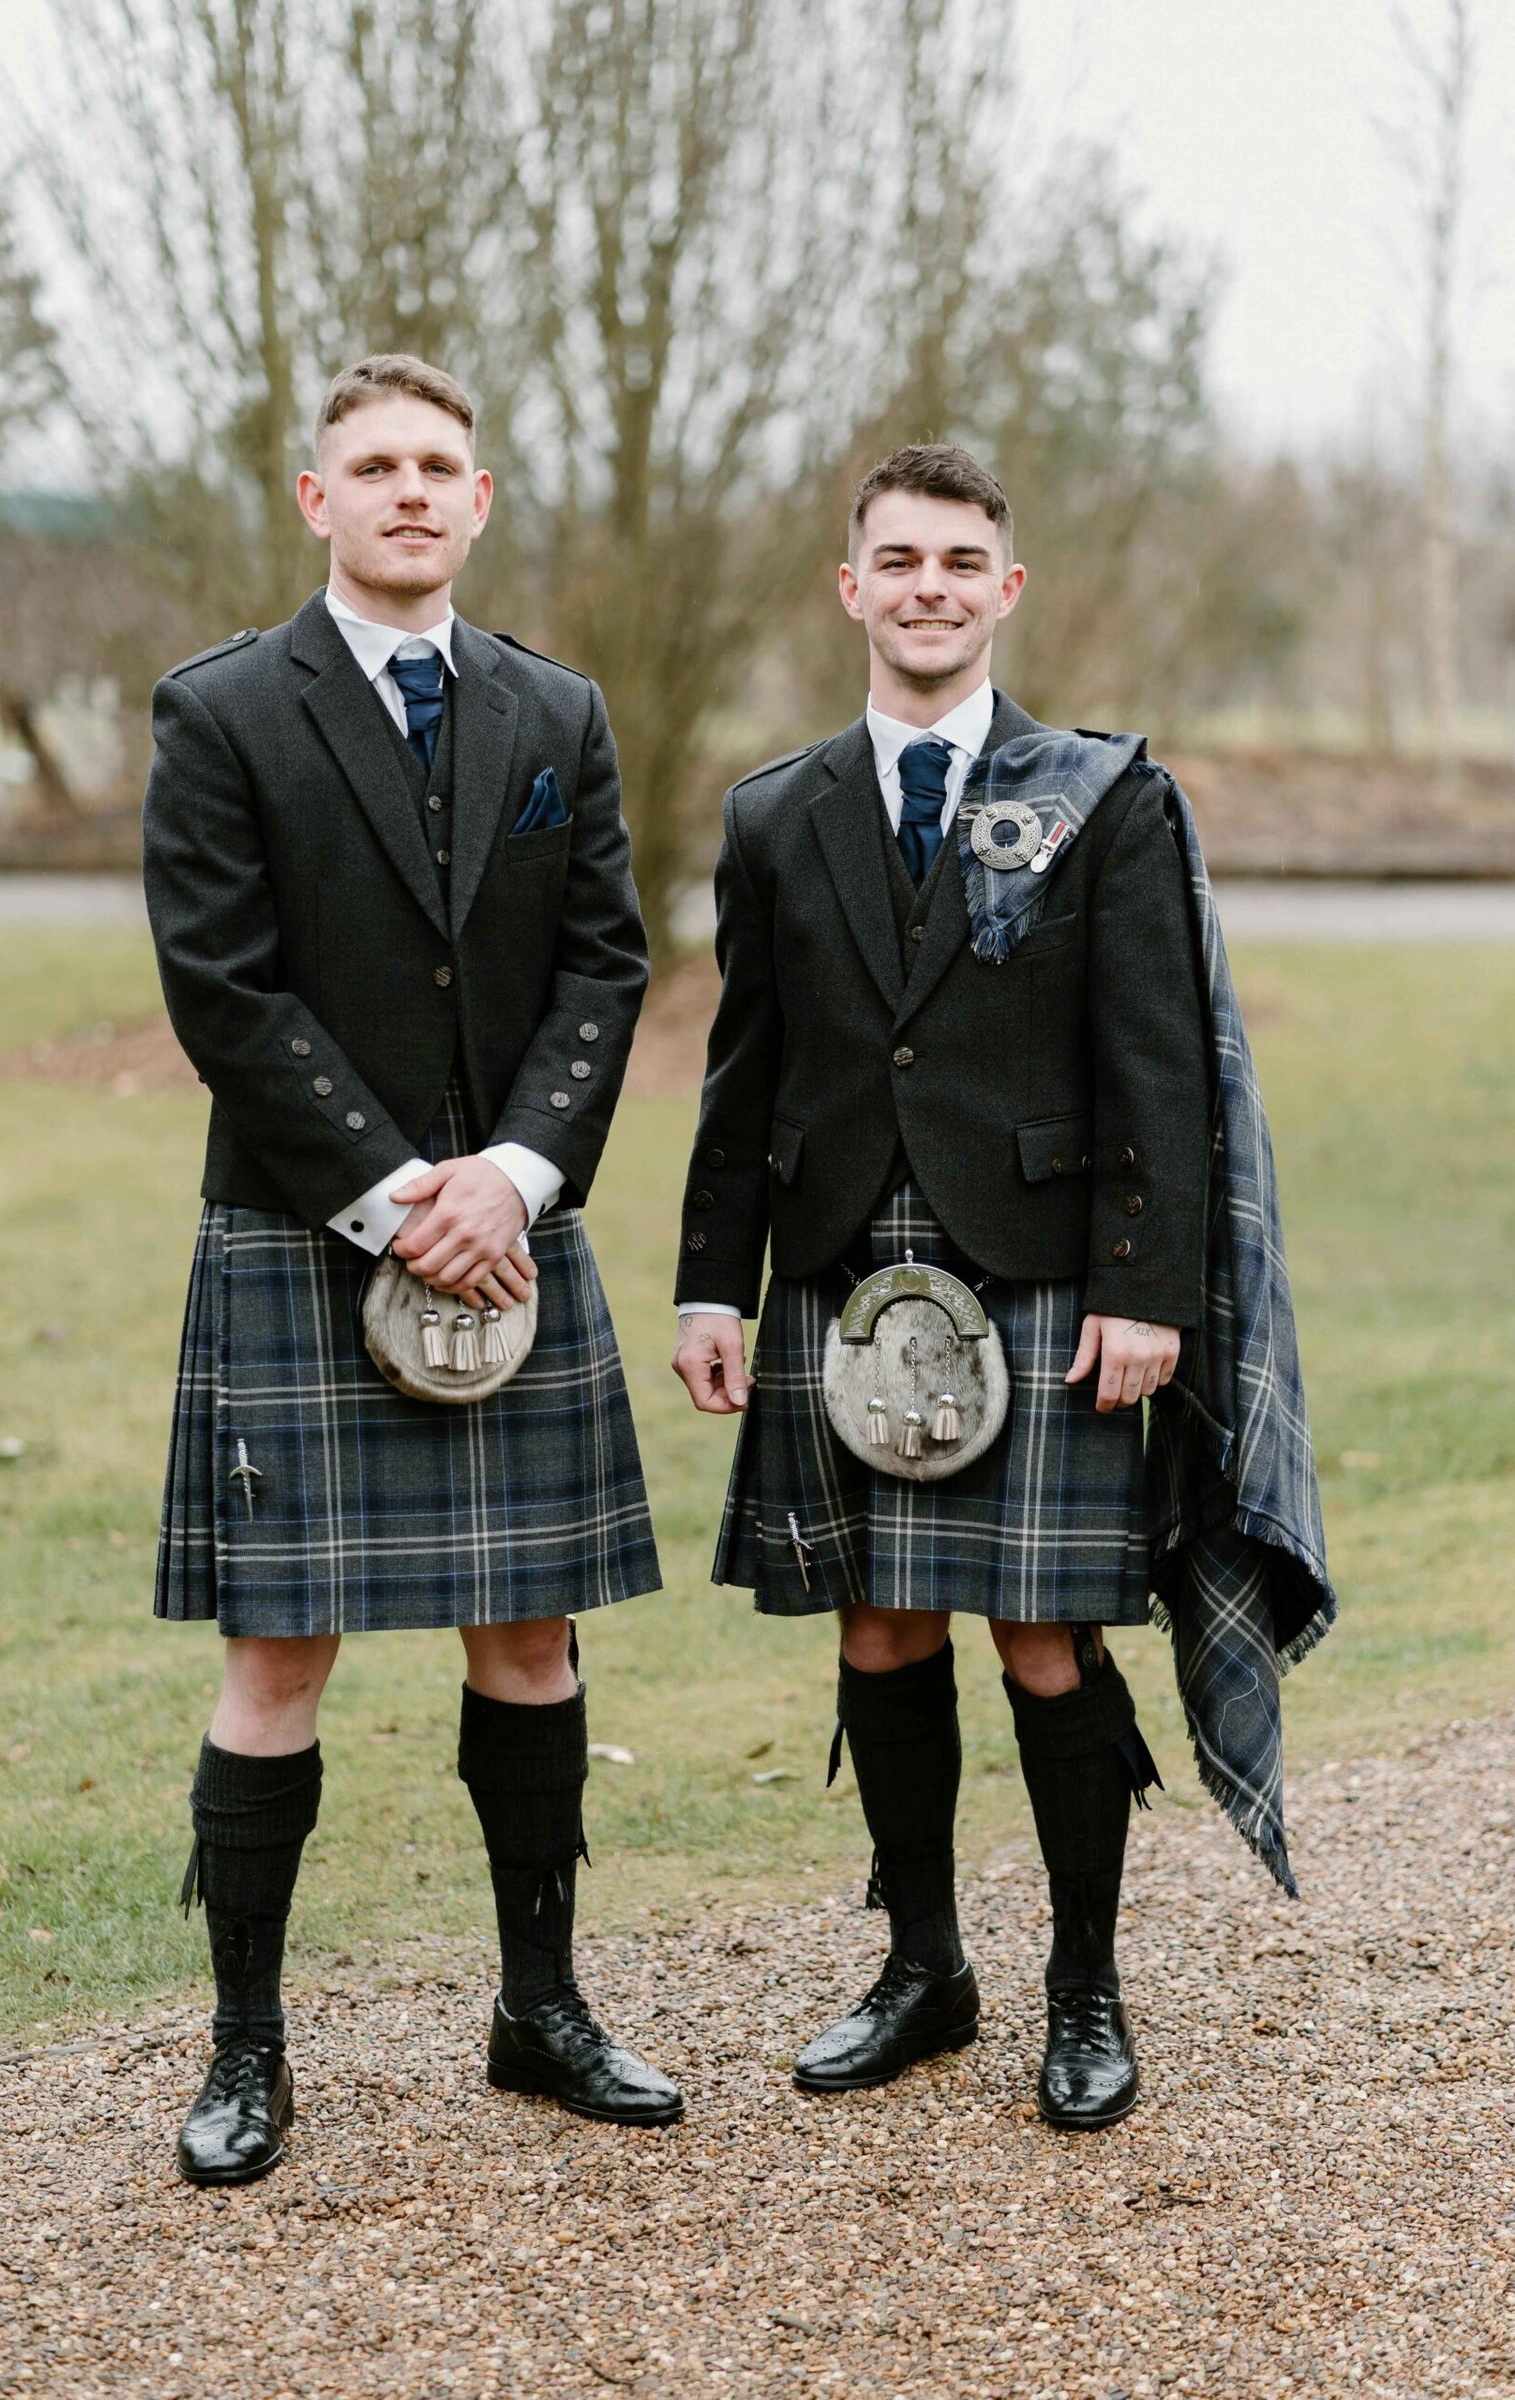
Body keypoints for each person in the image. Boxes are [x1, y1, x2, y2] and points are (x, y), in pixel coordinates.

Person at [672, 441, 1333, 2130]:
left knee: (1044, 1635)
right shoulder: (772, 812)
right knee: (881, 1628)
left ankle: (1085, 1990)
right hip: (839, 1271)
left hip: (1044, 1272)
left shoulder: (1106, 796)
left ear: (1006, 589)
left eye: (961, 562)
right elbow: (740, 1075)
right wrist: (709, 1287)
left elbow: (1157, 1070)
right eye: (898, 561)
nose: (930, 589)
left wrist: (1146, 1289)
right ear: (852, 587)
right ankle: (923, 1966)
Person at [145, 352, 681, 2187]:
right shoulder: (222, 710)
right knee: (275, 1652)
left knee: (527, 1634)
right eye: (371, 464)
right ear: (316, 499)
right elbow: (223, 987)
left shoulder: (559, 708)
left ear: (478, 495)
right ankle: (245, 2052)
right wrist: (398, 1196)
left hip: (513, 1231)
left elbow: (606, 968)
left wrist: (516, 1179)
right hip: (306, 1236)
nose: (407, 491)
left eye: (438, 464)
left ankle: (542, 2011)